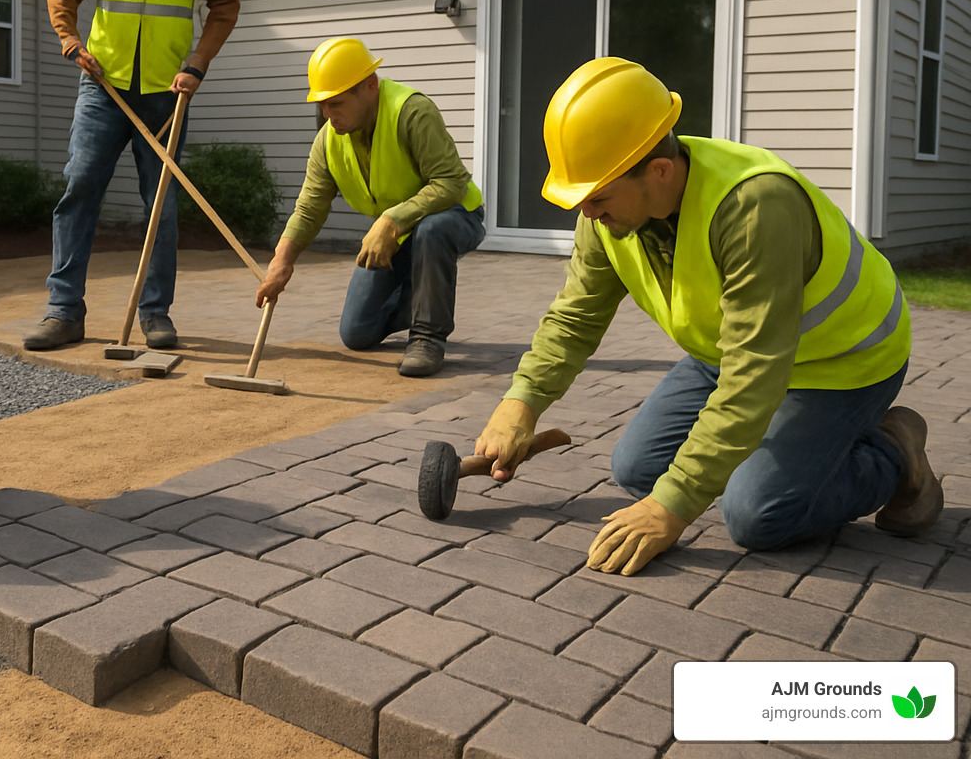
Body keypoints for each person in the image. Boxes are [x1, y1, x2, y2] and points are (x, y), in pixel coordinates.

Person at [474, 56, 940, 576]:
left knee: (756, 514)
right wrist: (521, 403)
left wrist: (670, 510)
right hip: (728, 354)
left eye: (597, 196)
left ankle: (894, 453)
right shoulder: (607, 216)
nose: (587, 212)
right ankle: (792, 453)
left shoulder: (756, 206)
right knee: (638, 470)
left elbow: (754, 375)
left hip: (843, 361)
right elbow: (574, 318)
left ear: (659, 170)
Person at [24, 0, 240, 352]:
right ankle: (63, 311)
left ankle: (155, 313)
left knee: (160, 203)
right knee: (79, 189)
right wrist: (70, 40)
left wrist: (197, 64)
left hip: (167, 94)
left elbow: (225, 5)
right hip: (103, 87)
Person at [254, 37, 487, 377]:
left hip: (455, 216)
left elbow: (451, 182)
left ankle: (428, 337)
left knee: (432, 230)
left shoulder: (412, 112)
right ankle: (424, 293)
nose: (327, 115)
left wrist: (392, 220)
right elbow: (309, 208)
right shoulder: (328, 141)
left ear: (370, 85)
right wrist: (282, 261)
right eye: (321, 105)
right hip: (397, 232)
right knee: (357, 331)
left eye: (336, 103)